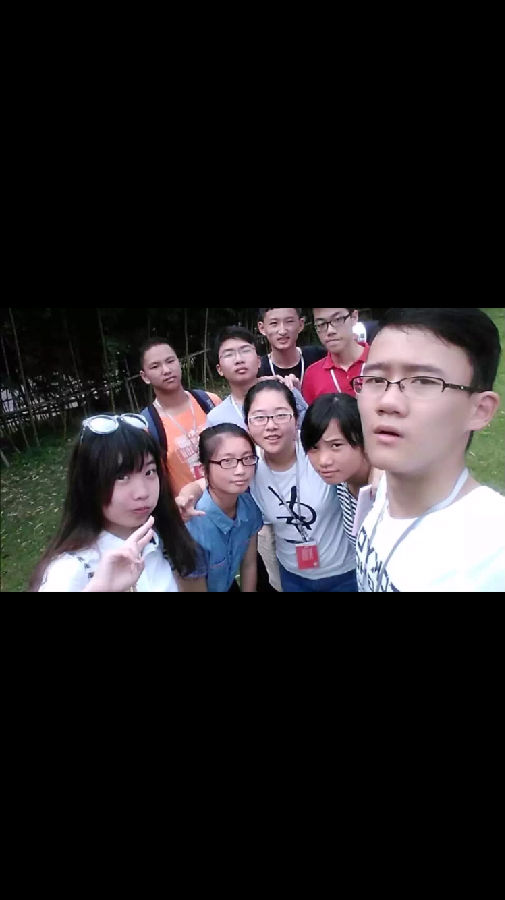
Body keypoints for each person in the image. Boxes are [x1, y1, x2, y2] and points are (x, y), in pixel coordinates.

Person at [352, 307, 505, 593]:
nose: (388, 401)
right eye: (376, 379)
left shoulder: (492, 551)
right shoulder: (386, 488)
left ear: (480, 410)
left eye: (423, 381)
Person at [29, 414, 206, 592]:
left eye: (149, 472)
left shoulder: (163, 540)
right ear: (88, 483)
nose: (142, 493)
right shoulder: (72, 569)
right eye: (122, 477)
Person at [245, 382, 357, 592]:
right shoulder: (248, 466)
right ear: (247, 425)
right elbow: (216, 477)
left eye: (281, 415)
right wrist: (193, 490)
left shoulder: (319, 452)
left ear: (296, 419)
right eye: (259, 417)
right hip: (293, 577)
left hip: (345, 574)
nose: (271, 425)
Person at [186, 425, 264, 592]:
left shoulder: (249, 507)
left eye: (247, 458)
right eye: (227, 461)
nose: (241, 470)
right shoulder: (192, 525)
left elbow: (249, 564)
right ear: (203, 469)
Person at [139, 338, 221, 496]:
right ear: (145, 376)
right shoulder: (147, 426)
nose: (166, 370)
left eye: (170, 361)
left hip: (235, 498)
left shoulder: (209, 401)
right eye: (155, 366)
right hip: (191, 507)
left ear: (179, 362)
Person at [300, 393, 375, 546]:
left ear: (364, 438)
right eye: (314, 447)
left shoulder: (389, 487)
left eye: (336, 445)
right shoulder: (341, 483)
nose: (323, 461)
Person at [206, 326, 307, 429]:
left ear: (259, 361)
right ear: (219, 369)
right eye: (229, 354)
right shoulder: (216, 419)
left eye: (245, 351)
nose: (239, 359)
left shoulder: (288, 394)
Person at [303, 307, 370, 405]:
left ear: (354, 317)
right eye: (321, 324)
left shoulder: (380, 360)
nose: (330, 331)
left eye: (337, 320)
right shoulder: (312, 375)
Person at [257, 308, 326, 387]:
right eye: (274, 323)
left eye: (289, 321)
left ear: (301, 324)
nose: (282, 331)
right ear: (262, 328)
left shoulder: (320, 357)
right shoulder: (258, 370)